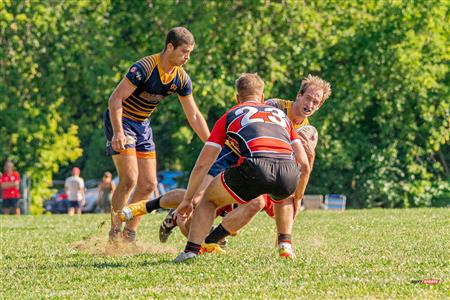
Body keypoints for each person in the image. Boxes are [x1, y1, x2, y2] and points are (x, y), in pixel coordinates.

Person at [117, 75, 331, 258]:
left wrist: (300, 189)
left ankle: (214, 239)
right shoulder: (273, 106)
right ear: (299, 95)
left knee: (259, 204)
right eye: (309, 98)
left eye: (316, 102)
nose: (310, 104)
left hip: (262, 168)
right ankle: (158, 211)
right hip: (233, 155)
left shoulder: (309, 131)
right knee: (198, 199)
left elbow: (304, 164)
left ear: (320, 105)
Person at [173, 73, 311, 262]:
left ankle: (191, 251)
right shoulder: (282, 117)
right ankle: (285, 245)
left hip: (255, 167)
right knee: (283, 194)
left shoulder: (230, 115)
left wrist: (188, 199)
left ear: (237, 98)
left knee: (208, 200)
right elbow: (304, 164)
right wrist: (298, 196)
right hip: (288, 169)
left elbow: (203, 164)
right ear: (262, 98)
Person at [105, 26, 210, 243]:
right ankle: (115, 232)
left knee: (148, 185)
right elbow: (115, 99)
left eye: (190, 53)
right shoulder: (144, 68)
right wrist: (117, 132)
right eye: (184, 52)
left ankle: (129, 235)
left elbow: (194, 116)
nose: (187, 57)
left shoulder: (181, 78)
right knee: (129, 179)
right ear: (169, 47)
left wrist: (212, 144)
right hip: (122, 120)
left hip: (142, 125)